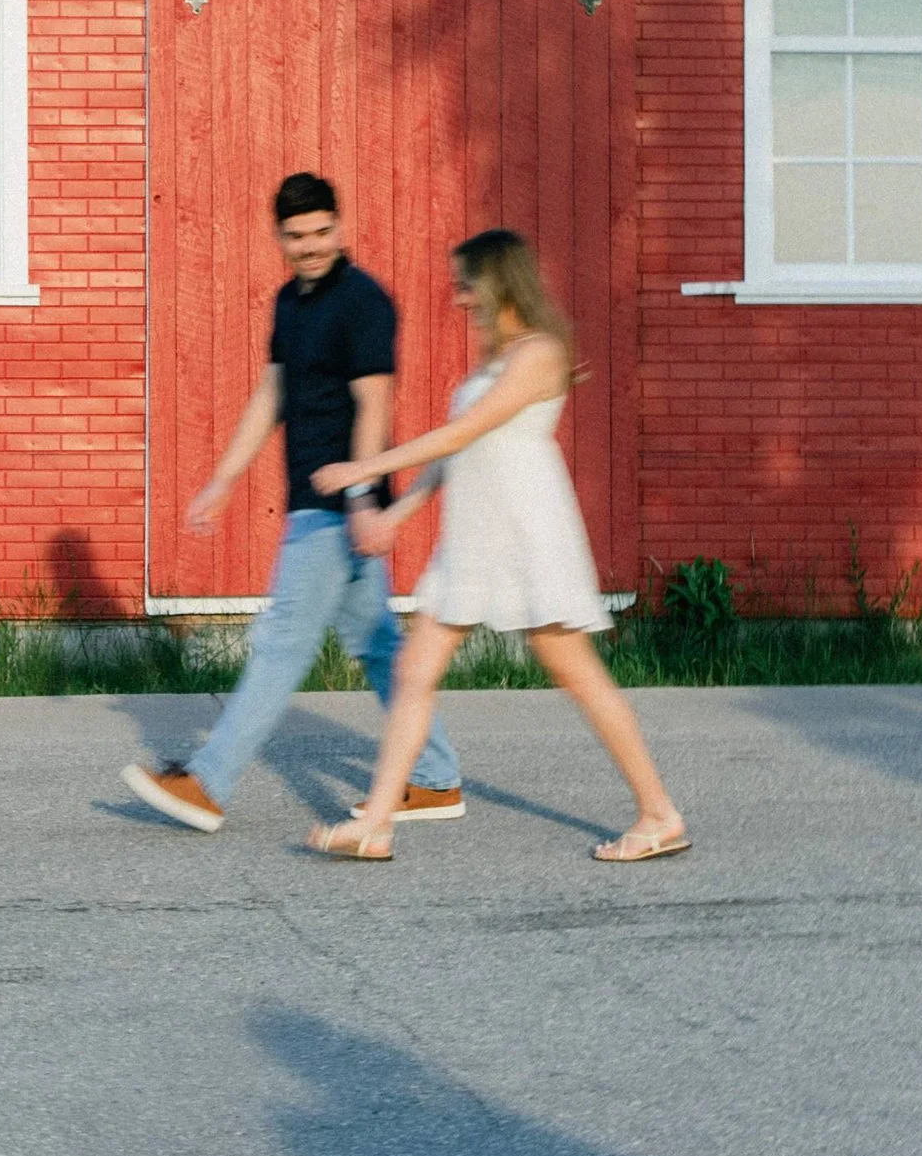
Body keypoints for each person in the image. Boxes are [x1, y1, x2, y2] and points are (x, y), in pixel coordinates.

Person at [301, 228, 688, 864]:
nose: (459, 299)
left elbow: (461, 434)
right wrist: (396, 512)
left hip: (527, 531)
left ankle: (659, 814)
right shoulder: (494, 361)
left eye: (467, 285)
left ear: (499, 283)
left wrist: (361, 470)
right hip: (475, 535)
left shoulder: (541, 353)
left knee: (577, 674)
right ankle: (375, 823)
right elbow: (456, 453)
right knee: (414, 670)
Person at [123, 173, 466, 832]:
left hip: (337, 504)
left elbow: (374, 404)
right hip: (316, 497)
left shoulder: (364, 302)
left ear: (340, 226)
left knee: (282, 641)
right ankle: (434, 777)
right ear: (278, 236)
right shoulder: (288, 302)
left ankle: (208, 782)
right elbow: (271, 394)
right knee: (378, 644)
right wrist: (224, 479)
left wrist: (362, 497)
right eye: (296, 236)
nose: (310, 246)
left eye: (320, 232)